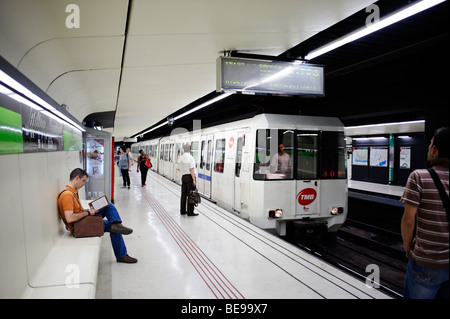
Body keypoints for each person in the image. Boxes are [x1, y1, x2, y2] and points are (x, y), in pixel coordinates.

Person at [401, 127, 449, 299]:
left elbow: (408, 220)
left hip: (427, 263)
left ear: (434, 150)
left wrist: (408, 248)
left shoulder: (419, 177)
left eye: (430, 145)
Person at [58, 168, 137, 263]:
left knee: (107, 206)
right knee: (112, 219)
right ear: (77, 178)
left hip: (82, 222)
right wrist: (87, 213)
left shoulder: (72, 192)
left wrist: (88, 210)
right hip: (79, 227)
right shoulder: (67, 195)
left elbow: (75, 212)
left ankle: (116, 225)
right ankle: (121, 254)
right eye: (83, 181)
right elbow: (69, 218)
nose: (83, 184)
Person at [178, 143, 198, 216]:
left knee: (183, 195)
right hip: (189, 177)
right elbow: (191, 169)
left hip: (183, 177)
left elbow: (179, 168)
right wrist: (194, 180)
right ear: (190, 149)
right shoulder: (190, 157)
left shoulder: (181, 158)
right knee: (191, 195)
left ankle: (182, 211)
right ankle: (190, 212)